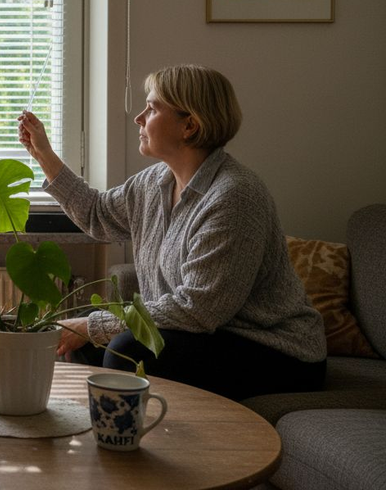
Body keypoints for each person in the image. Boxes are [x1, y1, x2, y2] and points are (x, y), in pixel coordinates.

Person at [18, 64, 326, 401]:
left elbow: (199, 308)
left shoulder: (235, 197)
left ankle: (122, 442)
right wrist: (43, 154)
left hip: (274, 350)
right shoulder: (155, 182)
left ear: (189, 125)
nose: (139, 118)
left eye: (151, 108)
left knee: (127, 346)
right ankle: (96, 428)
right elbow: (98, 214)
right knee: (87, 330)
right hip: (206, 333)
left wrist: (96, 327)